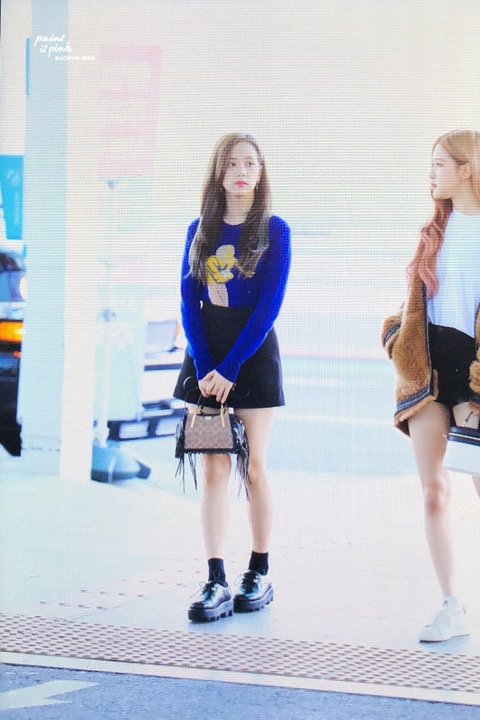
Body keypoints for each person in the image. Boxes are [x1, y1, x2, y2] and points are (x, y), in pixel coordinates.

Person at [173, 132, 291, 622]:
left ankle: (258, 571)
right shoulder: (200, 229)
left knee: (253, 468)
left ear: (261, 173)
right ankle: (215, 579)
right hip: (206, 357)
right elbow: (188, 301)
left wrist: (230, 368)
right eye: (232, 163)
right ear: (218, 172)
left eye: (251, 163)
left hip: (252, 354)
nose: (242, 172)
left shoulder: (275, 230)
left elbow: (268, 308)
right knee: (213, 469)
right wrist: (206, 367)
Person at [382, 129, 480, 642]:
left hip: (475, 374)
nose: (432, 173)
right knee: (434, 492)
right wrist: (395, 336)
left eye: (440, 164)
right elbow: (416, 303)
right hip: (427, 371)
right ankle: (451, 604)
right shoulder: (434, 231)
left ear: (467, 169)